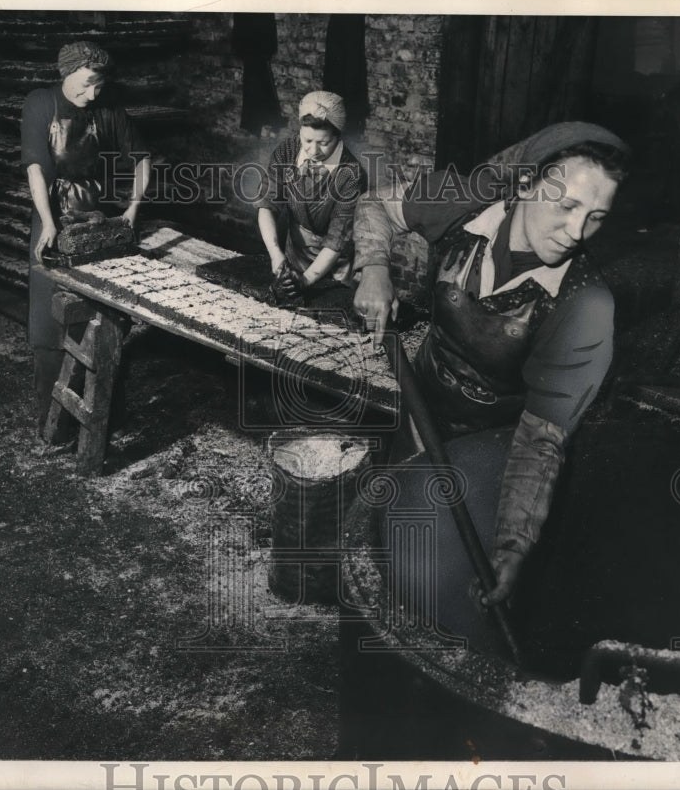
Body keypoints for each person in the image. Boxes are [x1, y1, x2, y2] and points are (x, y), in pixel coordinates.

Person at [352, 122, 631, 649]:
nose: (575, 232)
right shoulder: (466, 202)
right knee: (387, 535)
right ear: (525, 185)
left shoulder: (586, 305)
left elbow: (541, 439)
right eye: (565, 205)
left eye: (596, 218)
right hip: (421, 403)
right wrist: (374, 269)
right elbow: (376, 204)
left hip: (493, 448)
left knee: (453, 587)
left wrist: (513, 545)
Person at [20, 41, 151, 440]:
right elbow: (36, 169)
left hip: (98, 215)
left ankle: (105, 417)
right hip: (53, 213)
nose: (93, 94)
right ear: (68, 72)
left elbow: (142, 157)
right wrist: (48, 223)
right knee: (49, 320)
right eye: (88, 83)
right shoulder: (40, 103)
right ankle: (53, 425)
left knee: (105, 316)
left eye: (100, 85)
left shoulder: (109, 109)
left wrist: (130, 211)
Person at [255, 91, 364, 311]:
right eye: (307, 140)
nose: (313, 151)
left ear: (338, 136)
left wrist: (306, 280)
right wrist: (276, 255)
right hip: (295, 250)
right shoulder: (287, 151)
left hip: (335, 262)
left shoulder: (351, 174)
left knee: (329, 313)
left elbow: (337, 240)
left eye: (323, 143)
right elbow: (267, 204)